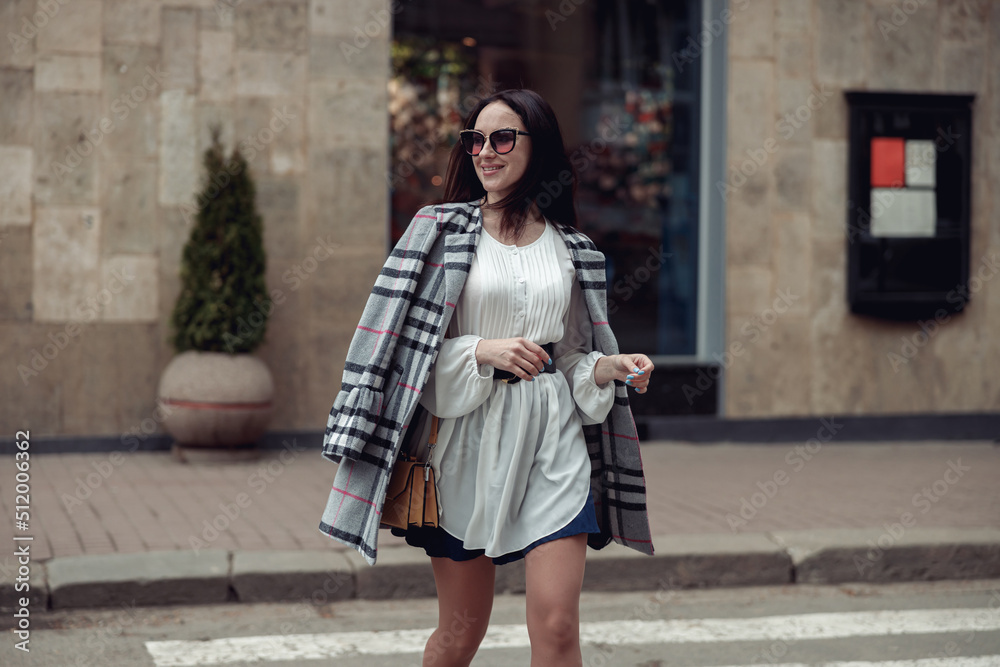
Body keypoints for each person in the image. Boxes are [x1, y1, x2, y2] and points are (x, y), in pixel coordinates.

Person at [318, 89, 654, 667]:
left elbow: (572, 355)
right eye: (475, 139)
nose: (485, 152)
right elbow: (403, 354)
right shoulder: (438, 229)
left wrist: (609, 367)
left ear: (537, 146)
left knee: (556, 626)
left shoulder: (574, 249)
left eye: (502, 138)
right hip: (464, 445)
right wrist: (480, 352)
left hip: (552, 441)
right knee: (459, 635)